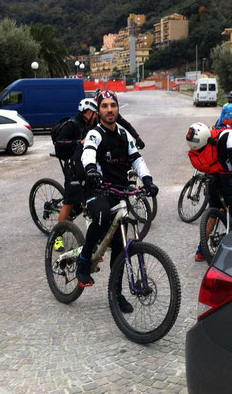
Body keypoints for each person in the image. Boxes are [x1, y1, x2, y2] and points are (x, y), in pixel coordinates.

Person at [77, 90, 159, 313]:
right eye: (104, 106)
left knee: (120, 248)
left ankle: (116, 294)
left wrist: (148, 180)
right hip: (97, 189)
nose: (110, 109)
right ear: (99, 110)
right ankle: (84, 259)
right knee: (102, 215)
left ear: (117, 108)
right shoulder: (95, 133)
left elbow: (137, 160)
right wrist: (91, 170)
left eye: (113, 105)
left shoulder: (124, 134)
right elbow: (88, 154)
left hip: (120, 191)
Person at [193, 103, 232, 261]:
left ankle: (201, 251)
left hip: (212, 178)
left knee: (214, 211)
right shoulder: (231, 133)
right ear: (228, 117)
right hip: (228, 179)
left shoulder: (213, 131)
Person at [52, 98, 98, 224]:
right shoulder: (71, 124)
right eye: (95, 114)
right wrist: (78, 142)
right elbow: (59, 142)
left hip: (82, 164)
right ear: (88, 112)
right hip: (71, 165)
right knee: (69, 202)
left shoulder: (89, 124)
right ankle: (57, 236)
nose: (96, 117)